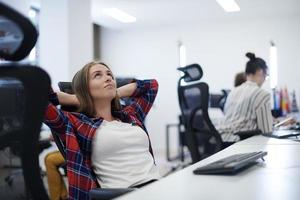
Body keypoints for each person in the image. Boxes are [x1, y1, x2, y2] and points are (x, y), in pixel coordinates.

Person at [43, 61, 160, 200]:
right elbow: (39, 99)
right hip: (126, 194)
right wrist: (75, 99)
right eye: (97, 75)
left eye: (109, 74)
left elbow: (152, 86)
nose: (108, 78)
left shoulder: (130, 115)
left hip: (158, 186)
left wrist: (116, 93)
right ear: (85, 89)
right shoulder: (77, 124)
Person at [217, 52, 273, 142]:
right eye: (266, 76)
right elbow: (266, 130)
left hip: (220, 140)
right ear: (260, 71)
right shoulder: (262, 94)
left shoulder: (233, 91)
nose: (264, 80)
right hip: (238, 141)